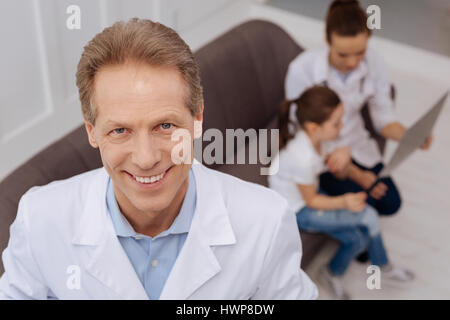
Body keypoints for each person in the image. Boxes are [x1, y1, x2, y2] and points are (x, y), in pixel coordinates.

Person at [0, 18, 317, 300]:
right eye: (120, 130)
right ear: (92, 131)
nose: (146, 158)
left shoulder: (267, 221)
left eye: (165, 126)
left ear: (197, 119)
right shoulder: (39, 219)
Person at [284, 0, 433, 220]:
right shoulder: (302, 70)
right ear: (327, 40)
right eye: (343, 55)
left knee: (391, 203)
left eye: (360, 52)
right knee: (367, 204)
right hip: (324, 155)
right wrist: (358, 175)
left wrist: (409, 136)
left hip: (358, 146)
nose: (353, 62)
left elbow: (383, 118)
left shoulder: (375, 62)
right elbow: (302, 132)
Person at [268, 86, 414, 300]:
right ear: (313, 127)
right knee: (370, 216)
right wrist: (344, 202)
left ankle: (330, 273)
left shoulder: (320, 139)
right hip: (297, 211)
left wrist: (351, 162)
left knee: (358, 239)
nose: (342, 127)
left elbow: (338, 165)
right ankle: (384, 267)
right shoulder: (301, 158)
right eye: (336, 123)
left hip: (310, 197)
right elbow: (311, 200)